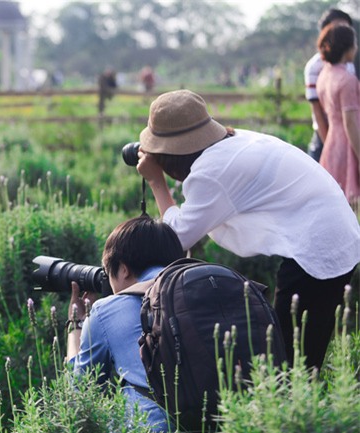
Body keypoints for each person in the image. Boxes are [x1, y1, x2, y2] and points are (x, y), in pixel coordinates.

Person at [134, 89, 360, 371]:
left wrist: (156, 182)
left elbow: (176, 237)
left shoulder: (213, 171)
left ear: (172, 153)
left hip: (319, 244)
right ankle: (307, 405)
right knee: (300, 350)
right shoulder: (231, 141)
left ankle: (300, 411)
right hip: (335, 229)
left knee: (288, 362)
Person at [66, 216, 184, 432]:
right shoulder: (209, 289)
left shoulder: (106, 310)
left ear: (123, 269)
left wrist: (76, 323)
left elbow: (79, 393)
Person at [316, 23, 360, 207]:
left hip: (332, 141)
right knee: (353, 205)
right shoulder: (347, 80)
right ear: (348, 47)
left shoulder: (325, 74)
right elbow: (350, 122)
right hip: (349, 142)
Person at [303, 9, 355, 162]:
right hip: (325, 136)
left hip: (347, 137)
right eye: (338, 28)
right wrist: (330, 149)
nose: (342, 33)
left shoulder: (348, 65)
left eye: (346, 29)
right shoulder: (314, 66)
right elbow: (317, 112)